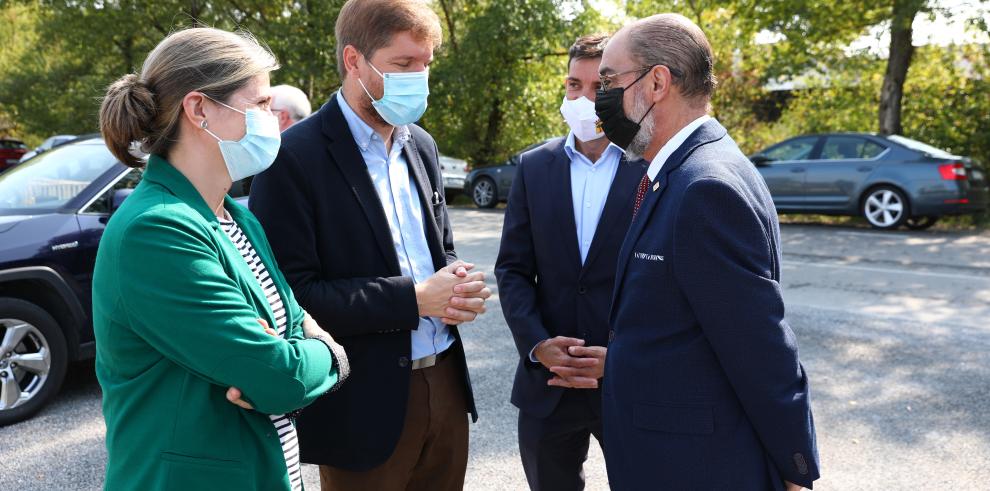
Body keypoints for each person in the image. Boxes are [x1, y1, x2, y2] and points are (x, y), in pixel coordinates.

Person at [93, 27, 348, 491]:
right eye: (260, 104)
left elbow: (287, 337)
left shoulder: (234, 216)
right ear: (199, 109)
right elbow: (279, 377)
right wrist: (332, 354)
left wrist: (290, 349)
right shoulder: (155, 230)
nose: (273, 119)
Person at [249, 1, 490, 489]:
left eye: (426, 64)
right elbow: (292, 297)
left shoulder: (420, 144)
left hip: (444, 383)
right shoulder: (293, 158)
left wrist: (458, 282)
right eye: (403, 64)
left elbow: (438, 251)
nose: (418, 78)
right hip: (361, 403)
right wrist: (417, 299)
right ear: (353, 60)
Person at [595, 14, 819, 490]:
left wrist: (794, 468)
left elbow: (759, 346)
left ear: (657, 82)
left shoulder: (705, 186)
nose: (601, 97)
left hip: (696, 467)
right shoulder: (679, 169)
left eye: (610, 80)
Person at [494, 34, 645, 491]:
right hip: (549, 384)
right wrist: (538, 346)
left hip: (625, 382)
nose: (583, 98)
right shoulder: (535, 166)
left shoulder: (650, 166)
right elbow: (513, 270)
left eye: (598, 87)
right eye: (574, 85)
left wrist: (619, 358)